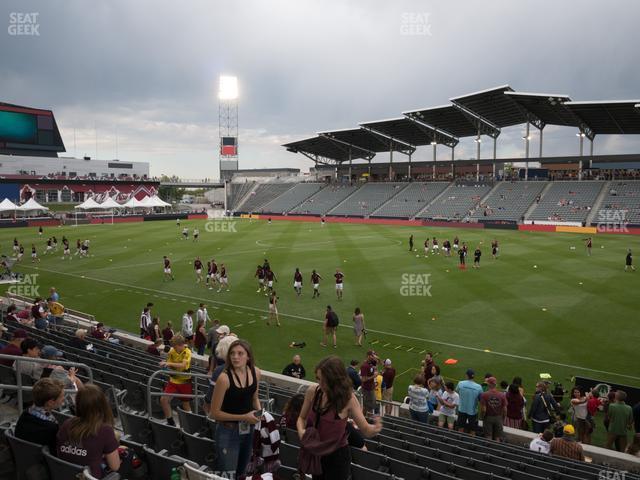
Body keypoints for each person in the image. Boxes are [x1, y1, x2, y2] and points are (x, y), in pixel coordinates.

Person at [296, 356, 382, 480]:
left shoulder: (349, 399)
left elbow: (366, 430)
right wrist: (301, 432)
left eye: (325, 381)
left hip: (337, 458)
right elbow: (301, 418)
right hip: (317, 452)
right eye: (318, 379)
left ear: (336, 380)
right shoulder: (312, 391)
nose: (321, 384)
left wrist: (376, 427)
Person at [210, 339, 262, 479]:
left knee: (241, 473)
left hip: (248, 429)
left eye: (240, 353)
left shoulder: (256, 372)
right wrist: (244, 417)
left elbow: (254, 398)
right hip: (228, 432)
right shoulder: (224, 379)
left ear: (248, 356)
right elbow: (214, 413)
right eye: (232, 353)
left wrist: (261, 413)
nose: (235, 357)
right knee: (228, 475)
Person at [56, 384, 122, 478]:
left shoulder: (66, 424)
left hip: (65, 475)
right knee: (127, 455)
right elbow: (115, 467)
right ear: (102, 405)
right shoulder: (105, 430)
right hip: (90, 477)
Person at [15, 378, 65, 452]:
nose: (63, 399)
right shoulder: (51, 427)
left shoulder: (26, 413)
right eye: (61, 397)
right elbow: (55, 451)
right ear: (50, 402)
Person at [159, 335, 193, 425]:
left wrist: (167, 363)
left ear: (180, 345)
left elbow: (183, 365)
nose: (173, 348)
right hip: (173, 381)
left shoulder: (187, 352)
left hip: (185, 382)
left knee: (186, 405)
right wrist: (165, 366)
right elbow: (169, 365)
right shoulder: (172, 351)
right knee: (163, 400)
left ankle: (192, 424)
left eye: (175, 346)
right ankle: (171, 422)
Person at [456, 369, 483, 435]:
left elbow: (457, 392)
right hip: (473, 411)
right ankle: (472, 444)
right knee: (473, 429)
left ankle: (460, 440)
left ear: (466, 375)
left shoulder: (460, 383)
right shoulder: (478, 387)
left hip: (462, 409)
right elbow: (480, 399)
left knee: (460, 427)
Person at [480, 377, 507, 441]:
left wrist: (482, 417)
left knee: (488, 437)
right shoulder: (502, 395)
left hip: (488, 418)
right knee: (497, 437)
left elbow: (483, 410)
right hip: (498, 418)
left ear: (489, 384)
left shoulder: (484, 395)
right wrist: (503, 418)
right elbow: (505, 409)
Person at [359, 350, 378, 416]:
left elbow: (377, 362)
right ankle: (366, 420)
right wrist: (374, 376)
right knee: (368, 407)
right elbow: (363, 379)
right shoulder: (364, 366)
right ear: (368, 356)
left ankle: (366, 418)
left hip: (371, 388)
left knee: (370, 406)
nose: (374, 357)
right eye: (372, 355)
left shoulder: (370, 363)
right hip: (367, 389)